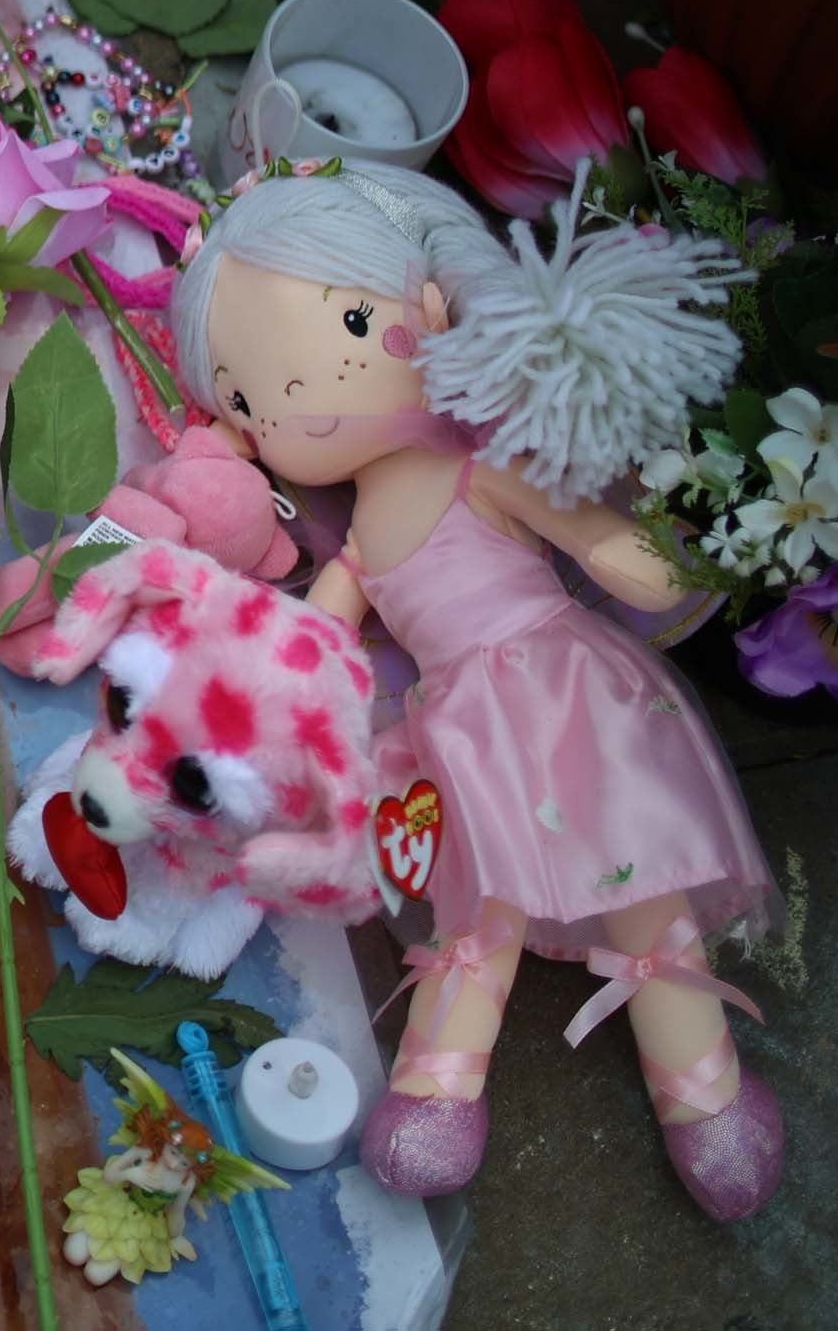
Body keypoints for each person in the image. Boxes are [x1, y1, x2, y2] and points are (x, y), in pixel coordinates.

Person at [174, 163, 781, 1220]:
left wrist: (679, 554)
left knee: (642, 881)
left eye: (353, 320)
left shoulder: (481, 464)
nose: (295, 400)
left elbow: (603, 544)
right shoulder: (357, 535)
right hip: (460, 727)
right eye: (244, 396)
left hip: (560, 685)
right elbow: (319, 632)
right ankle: (438, 1086)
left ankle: (706, 1092)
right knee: (478, 898)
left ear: (436, 305)